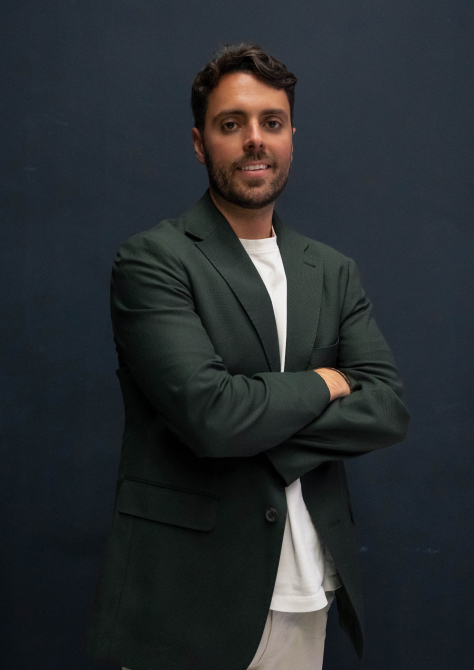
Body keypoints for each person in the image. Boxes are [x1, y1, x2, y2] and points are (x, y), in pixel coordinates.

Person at [84, 43, 410, 670]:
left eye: (272, 122)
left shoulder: (333, 271)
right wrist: (328, 381)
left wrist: (255, 422)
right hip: (183, 598)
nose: (254, 139)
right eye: (231, 123)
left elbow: (387, 409)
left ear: (291, 138)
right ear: (199, 143)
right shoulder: (154, 260)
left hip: (306, 592)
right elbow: (211, 416)